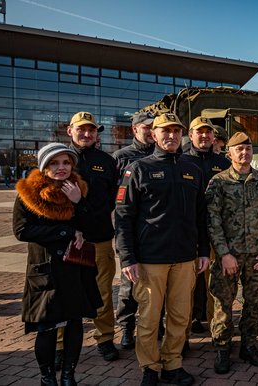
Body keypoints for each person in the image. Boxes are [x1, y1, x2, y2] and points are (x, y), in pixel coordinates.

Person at [115, 113, 210, 386]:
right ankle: (149, 368)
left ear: (182, 135)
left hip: (184, 259)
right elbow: (123, 216)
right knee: (148, 319)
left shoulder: (193, 168)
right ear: (153, 134)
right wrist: (127, 258)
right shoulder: (138, 169)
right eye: (164, 131)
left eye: (175, 131)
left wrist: (203, 250)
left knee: (180, 317)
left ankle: (172, 365)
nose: (171, 136)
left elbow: (201, 215)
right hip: (149, 260)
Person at [14, 143, 102, 386]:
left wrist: (77, 201)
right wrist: (65, 231)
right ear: (44, 167)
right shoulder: (27, 193)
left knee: (74, 323)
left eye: (65, 162)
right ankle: (47, 376)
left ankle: (68, 374)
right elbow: (21, 230)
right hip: (46, 270)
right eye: (54, 163)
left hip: (74, 268)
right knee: (47, 328)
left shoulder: (79, 188)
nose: (61, 168)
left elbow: (94, 227)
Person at [205, 132, 258, 374]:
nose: (244, 152)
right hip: (228, 256)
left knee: (253, 304)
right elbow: (212, 220)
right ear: (229, 153)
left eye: (248, 148)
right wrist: (224, 253)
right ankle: (222, 348)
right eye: (238, 149)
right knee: (223, 305)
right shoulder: (218, 182)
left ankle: (249, 346)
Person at [63, 112, 120, 363]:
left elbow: (113, 201)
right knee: (65, 292)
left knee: (103, 294)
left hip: (99, 238)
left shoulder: (107, 161)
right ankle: (59, 345)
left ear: (97, 133)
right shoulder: (59, 159)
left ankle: (105, 338)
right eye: (81, 129)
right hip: (65, 240)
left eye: (92, 130)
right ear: (70, 130)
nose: (87, 134)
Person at [180, 116, 231, 340]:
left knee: (216, 287)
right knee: (185, 289)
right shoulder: (180, 162)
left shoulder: (224, 164)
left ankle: (217, 331)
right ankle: (183, 334)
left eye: (208, 132)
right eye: (199, 132)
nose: (204, 136)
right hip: (188, 233)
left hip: (216, 234)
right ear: (190, 135)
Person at [112, 110, 156, 350]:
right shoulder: (121, 156)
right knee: (129, 283)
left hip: (155, 232)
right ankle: (127, 328)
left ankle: (156, 326)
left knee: (157, 285)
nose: (150, 131)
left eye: (153, 127)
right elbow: (115, 198)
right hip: (130, 229)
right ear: (135, 129)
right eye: (145, 127)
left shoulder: (163, 154)